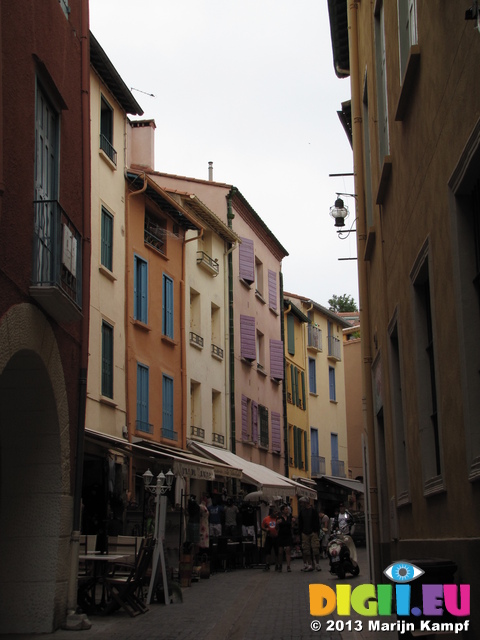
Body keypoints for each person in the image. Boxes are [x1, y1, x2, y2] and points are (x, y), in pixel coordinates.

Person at [298, 497, 321, 572]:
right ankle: (310, 564)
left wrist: (316, 531)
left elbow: (317, 522)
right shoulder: (302, 512)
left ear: (306, 503)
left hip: (313, 531)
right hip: (305, 532)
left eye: (302, 503)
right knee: (306, 549)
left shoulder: (313, 511)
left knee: (315, 548)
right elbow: (300, 522)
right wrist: (301, 531)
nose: (301, 504)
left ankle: (317, 564)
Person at [261, 506, 279, 571]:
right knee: (267, 551)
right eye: (274, 512)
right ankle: (267, 564)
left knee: (277, 551)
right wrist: (266, 529)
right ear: (271, 512)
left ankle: (277, 564)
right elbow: (262, 526)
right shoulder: (266, 519)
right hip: (269, 537)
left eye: (276, 512)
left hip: (276, 537)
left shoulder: (278, 519)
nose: (276, 513)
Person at [276, 503, 294, 572]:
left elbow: (292, 527)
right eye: (286, 509)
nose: (287, 510)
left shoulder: (290, 517)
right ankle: (280, 565)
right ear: (282, 511)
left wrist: (293, 522)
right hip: (281, 535)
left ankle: (288, 566)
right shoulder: (279, 518)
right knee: (280, 551)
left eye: (287, 509)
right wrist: (277, 523)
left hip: (288, 535)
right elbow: (276, 528)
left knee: (288, 550)